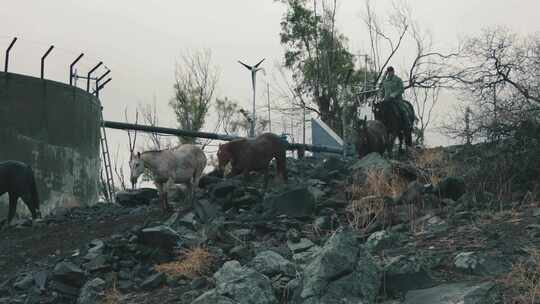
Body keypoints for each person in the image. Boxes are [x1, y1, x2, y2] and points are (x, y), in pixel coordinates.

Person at [380, 66, 411, 130]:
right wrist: (380, 97)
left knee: (402, 110)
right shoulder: (385, 81)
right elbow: (382, 90)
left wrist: (394, 94)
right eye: (388, 72)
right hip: (386, 101)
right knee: (379, 110)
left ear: (393, 71)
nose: (389, 73)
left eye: (391, 71)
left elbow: (401, 89)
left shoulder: (398, 80)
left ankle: (407, 124)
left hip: (396, 100)